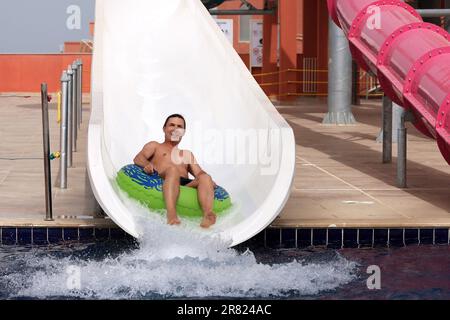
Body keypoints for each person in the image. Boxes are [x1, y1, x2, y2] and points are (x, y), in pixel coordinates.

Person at [133, 114, 217, 228]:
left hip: (185, 185)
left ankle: (207, 214)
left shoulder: (186, 154)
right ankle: (171, 215)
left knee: (206, 177)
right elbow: (138, 158)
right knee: (173, 170)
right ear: (164, 128)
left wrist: (209, 181)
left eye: (179, 126)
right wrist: (147, 165)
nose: (175, 129)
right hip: (163, 179)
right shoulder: (155, 146)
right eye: (171, 125)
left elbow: (199, 173)